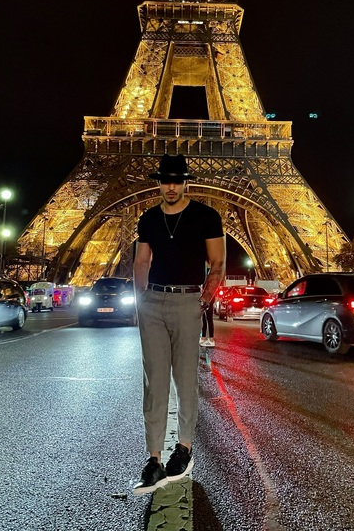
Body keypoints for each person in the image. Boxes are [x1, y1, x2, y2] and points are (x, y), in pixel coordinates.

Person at [132, 154, 226, 495]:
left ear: (186, 182)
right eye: (165, 180)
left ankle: (184, 448)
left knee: (185, 380)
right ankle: (154, 459)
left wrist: (204, 301)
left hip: (188, 300)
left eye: (177, 180)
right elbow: (141, 262)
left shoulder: (206, 216)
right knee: (154, 383)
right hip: (153, 302)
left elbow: (217, 262)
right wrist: (140, 301)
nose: (170, 186)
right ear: (159, 183)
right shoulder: (148, 218)